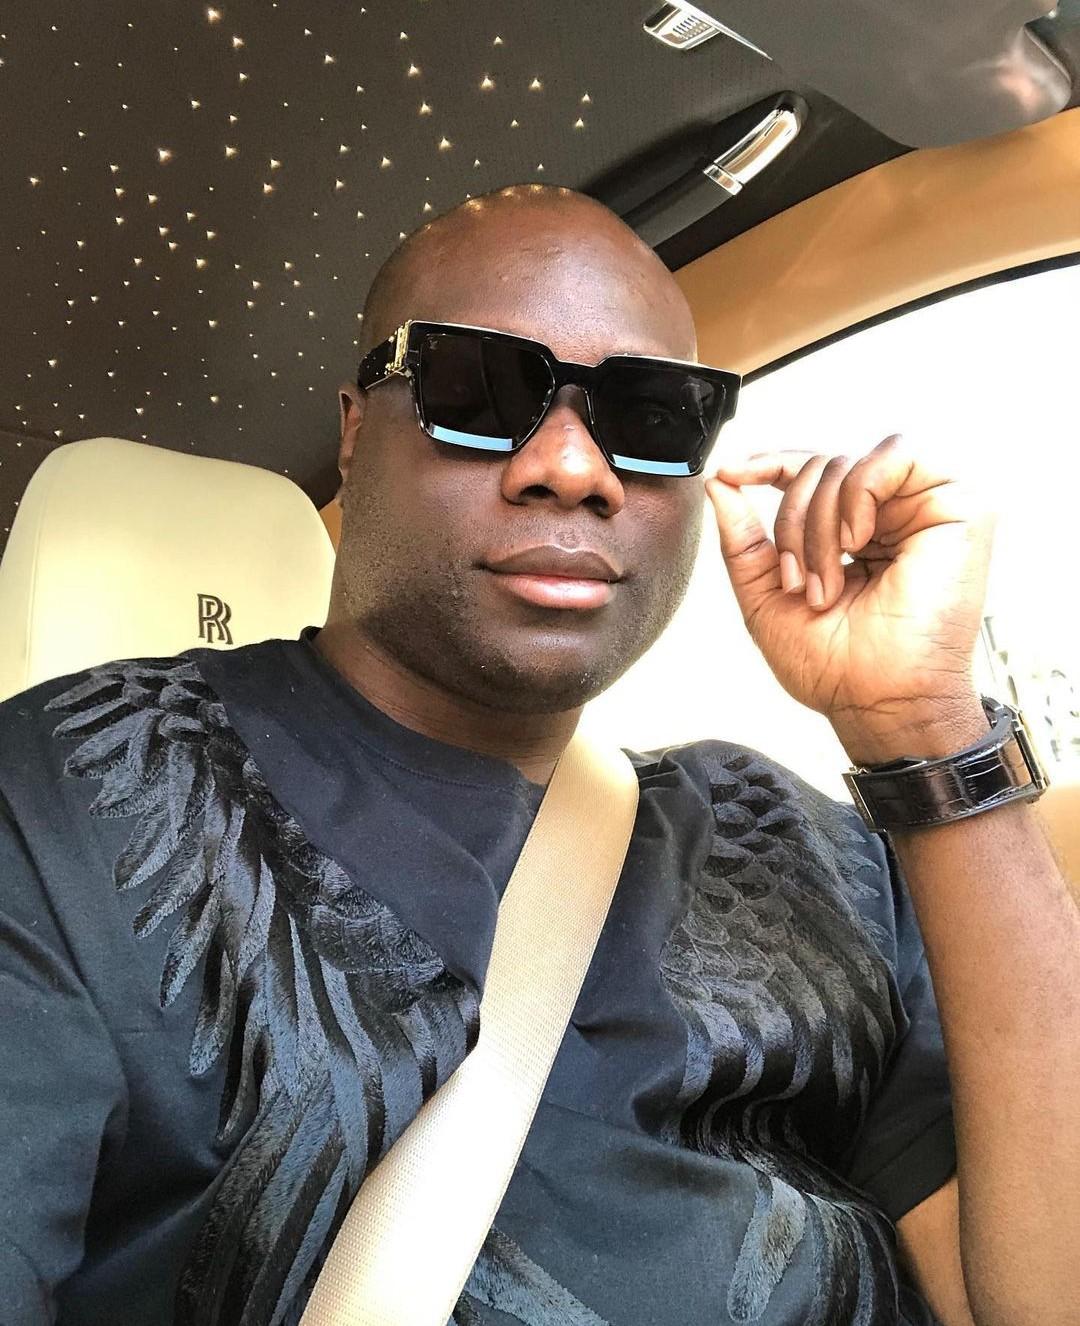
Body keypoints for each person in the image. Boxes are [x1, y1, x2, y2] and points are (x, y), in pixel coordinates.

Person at [1, 184, 1076, 1326]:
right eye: (479, 389)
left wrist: (922, 726)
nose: (572, 466)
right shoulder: (85, 791)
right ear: (357, 432)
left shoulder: (805, 843)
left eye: (651, 416)